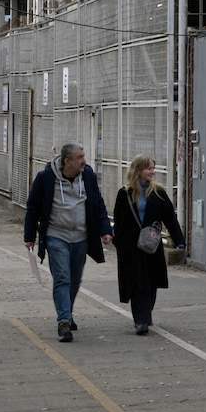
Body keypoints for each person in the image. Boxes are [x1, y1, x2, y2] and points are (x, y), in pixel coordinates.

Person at [23, 142, 113, 342]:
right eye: (80, 157)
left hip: (81, 237)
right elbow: (33, 208)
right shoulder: (46, 178)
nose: (84, 161)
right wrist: (29, 236)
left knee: (74, 279)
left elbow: (98, 204)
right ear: (67, 161)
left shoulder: (87, 176)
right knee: (62, 277)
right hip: (56, 236)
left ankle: (68, 312)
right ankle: (63, 321)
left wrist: (105, 230)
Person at [112, 155, 185, 335]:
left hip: (152, 244)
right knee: (138, 282)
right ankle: (140, 320)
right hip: (131, 246)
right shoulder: (125, 193)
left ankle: (147, 312)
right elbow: (119, 221)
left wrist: (179, 240)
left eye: (153, 168)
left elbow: (170, 218)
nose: (152, 171)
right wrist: (118, 243)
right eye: (148, 168)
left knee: (151, 281)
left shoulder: (158, 192)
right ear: (137, 170)